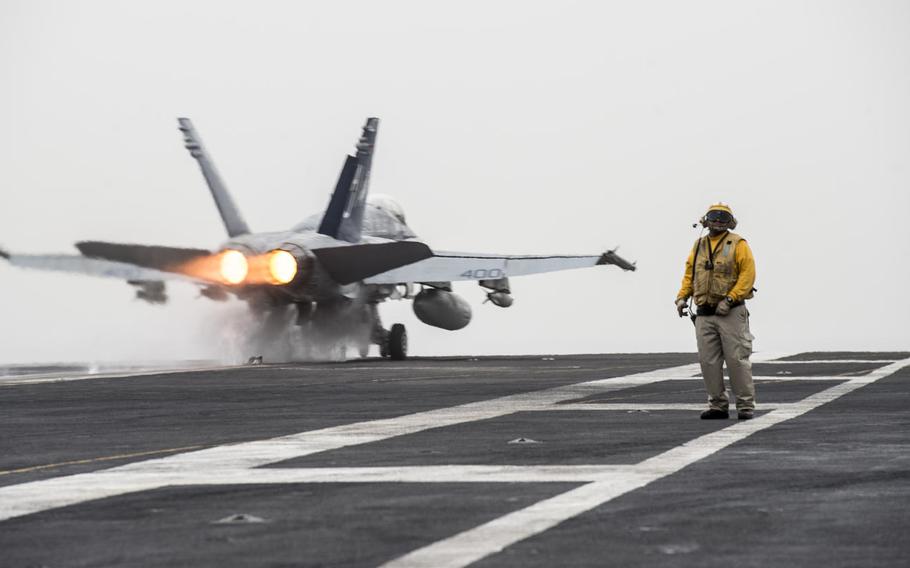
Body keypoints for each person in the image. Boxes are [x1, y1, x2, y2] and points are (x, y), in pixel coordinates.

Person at [675, 203, 756, 420]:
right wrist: (682, 298)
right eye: (714, 216)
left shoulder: (738, 244)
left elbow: (747, 276)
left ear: (730, 222)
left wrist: (730, 299)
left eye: (723, 217)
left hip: (730, 312)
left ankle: (745, 406)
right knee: (708, 361)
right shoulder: (699, 245)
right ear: (705, 220)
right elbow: (690, 275)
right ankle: (718, 405)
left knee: (736, 359)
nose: (718, 220)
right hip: (704, 312)